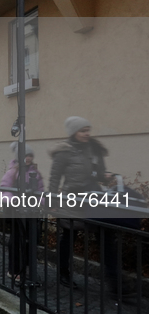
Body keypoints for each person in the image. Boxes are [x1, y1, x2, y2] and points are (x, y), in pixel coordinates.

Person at [48, 116, 108, 288]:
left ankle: (110, 277)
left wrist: (105, 176)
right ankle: (63, 273)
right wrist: (52, 202)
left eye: (88, 130)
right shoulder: (64, 151)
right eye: (83, 130)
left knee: (103, 235)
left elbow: (98, 173)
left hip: (91, 199)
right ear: (73, 132)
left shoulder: (93, 149)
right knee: (68, 237)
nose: (87, 133)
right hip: (71, 201)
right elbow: (54, 179)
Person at [1, 142, 44, 282]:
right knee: (16, 240)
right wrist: (12, 200)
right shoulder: (12, 172)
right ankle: (13, 270)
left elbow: (40, 190)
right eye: (26, 155)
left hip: (31, 211)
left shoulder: (35, 173)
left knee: (32, 239)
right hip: (16, 211)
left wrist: (42, 202)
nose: (28, 158)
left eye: (30, 155)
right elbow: (5, 189)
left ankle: (26, 267)